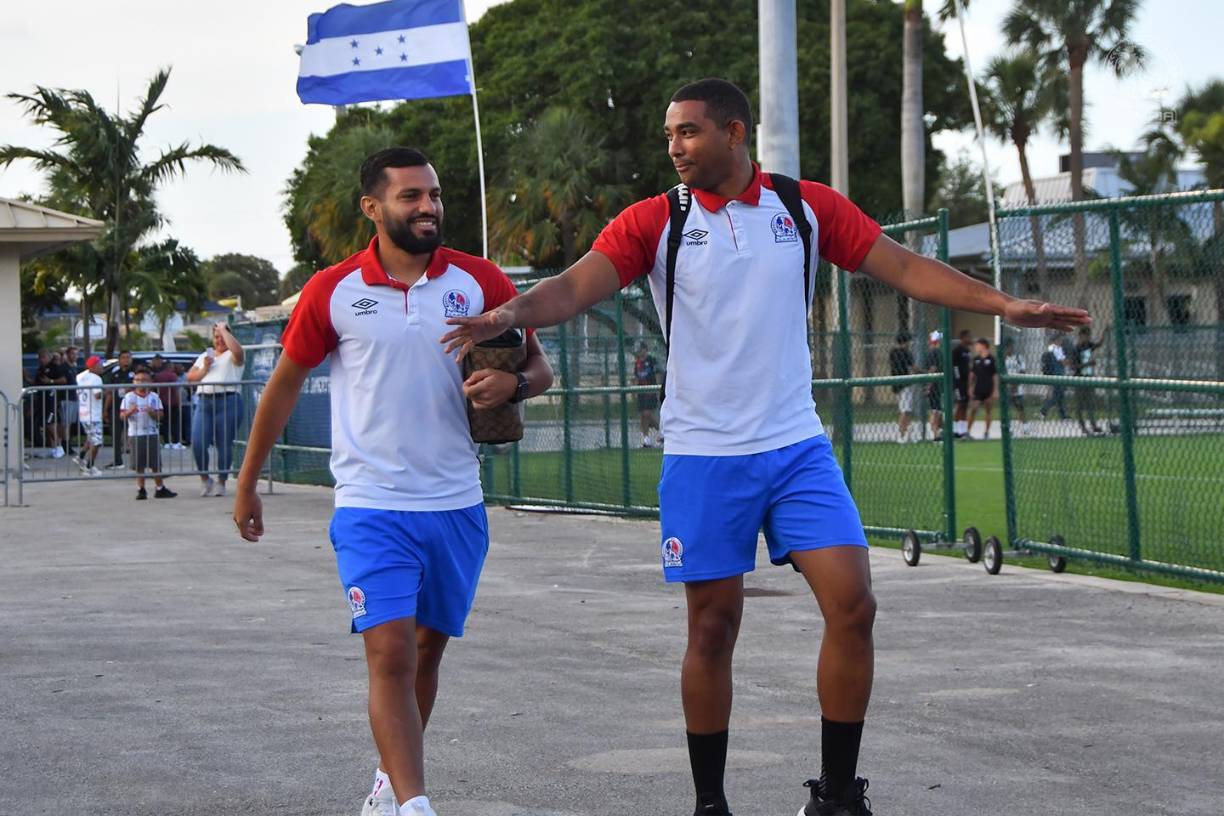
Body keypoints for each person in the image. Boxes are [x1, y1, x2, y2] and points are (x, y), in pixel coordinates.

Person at [439, 78, 1090, 816]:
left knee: (854, 606)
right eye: (669, 134)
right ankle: (710, 803)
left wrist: (1006, 304)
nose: (675, 147)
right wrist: (511, 311)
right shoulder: (655, 222)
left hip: (795, 446)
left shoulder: (803, 207)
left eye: (688, 132)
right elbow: (572, 288)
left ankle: (837, 794)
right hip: (704, 455)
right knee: (712, 629)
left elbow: (904, 266)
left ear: (735, 133)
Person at [232, 147, 554, 816]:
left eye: (433, 195)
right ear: (372, 208)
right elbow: (283, 388)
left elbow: (538, 370)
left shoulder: (480, 280)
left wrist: (513, 383)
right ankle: (414, 805)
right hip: (371, 506)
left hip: (457, 503)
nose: (428, 207)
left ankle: (389, 781)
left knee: (427, 653)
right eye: (411, 196)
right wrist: (248, 482)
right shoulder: (335, 290)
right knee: (390, 655)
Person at [187, 323, 245, 497]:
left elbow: (237, 352)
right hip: (205, 402)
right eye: (216, 337)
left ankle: (222, 480)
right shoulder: (205, 356)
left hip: (228, 401)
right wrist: (205, 367)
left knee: (224, 444)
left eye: (222, 336)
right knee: (198, 442)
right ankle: (205, 478)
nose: (219, 340)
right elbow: (191, 377)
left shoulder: (233, 354)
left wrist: (223, 330)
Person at [119, 370, 177, 500]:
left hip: (151, 432)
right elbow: (122, 416)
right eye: (138, 380)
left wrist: (152, 413)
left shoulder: (154, 397)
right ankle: (141, 489)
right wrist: (130, 411)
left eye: (144, 380)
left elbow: (161, 415)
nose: (141, 382)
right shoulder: (129, 397)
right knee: (139, 464)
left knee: (155, 463)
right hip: (136, 433)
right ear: (134, 382)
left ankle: (160, 487)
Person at [74, 355, 106, 475]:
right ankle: (89, 466)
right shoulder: (96, 378)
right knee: (97, 442)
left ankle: (80, 457)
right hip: (93, 413)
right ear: (94, 366)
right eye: (100, 364)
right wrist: (108, 392)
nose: (102, 366)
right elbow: (97, 395)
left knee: (90, 438)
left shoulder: (80, 376)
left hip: (83, 412)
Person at [104, 350, 136, 469]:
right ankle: (118, 460)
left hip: (132, 408)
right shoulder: (115, 373)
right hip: (117, 408)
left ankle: (137, 460)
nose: (126, 360)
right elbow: (110, 392)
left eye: (128, 357)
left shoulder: (135, 373)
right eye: (123, 357)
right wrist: (105, 410)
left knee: (134, 434)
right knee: (116, 435)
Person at [33, 349, 67, 457]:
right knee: (45, 424)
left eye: (43, 357)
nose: (41, 360)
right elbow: (37, 383)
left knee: (50, 424)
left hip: (51, 400)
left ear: (49, 357)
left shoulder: (55, 367)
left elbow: (63, 380)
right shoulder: (41, 369)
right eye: (40, 357)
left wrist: (51, 382)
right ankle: (53, 447)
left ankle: (59, 446)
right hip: (42, 400)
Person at [1073, 326, 1104, 436]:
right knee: (1080, 405)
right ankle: (1083, 427)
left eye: (1089, 336)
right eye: (1086, 336)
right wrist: (1088, 364)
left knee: (1091, 403)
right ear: (1081, 336)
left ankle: (1093, 425)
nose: (1088, 338)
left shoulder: (1089, 345)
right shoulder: (1076, 349)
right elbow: (1074, 367)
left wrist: (1104, 331)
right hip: (1079, 379)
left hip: (1089, 377)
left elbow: (1099, 344)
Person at [150, 354, 186, 449]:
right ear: (169, 367)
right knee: (175, 423)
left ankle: (166, 441)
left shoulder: (157, 376)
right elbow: (176, 389)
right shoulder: (173, 375)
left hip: (162, 402)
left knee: (165, 423)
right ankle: (176, 441)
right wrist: (179, 401)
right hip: (173, 402)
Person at [965, 338, 997, 440]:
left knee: (988, 411)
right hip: (978, 389)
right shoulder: (976, 359)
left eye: (977, 345)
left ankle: (986, 433)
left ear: (983, 346)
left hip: (989, 388)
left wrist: (995, 390)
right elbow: (972, 374)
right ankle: (967, 432)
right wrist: (970, 386)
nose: (976, 347)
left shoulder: (992, 359)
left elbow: (995, 375)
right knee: (973, 409)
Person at [888, 332, 916, 443]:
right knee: (906, 410)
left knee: (904, 409)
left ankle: (905, 433)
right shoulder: (906, 352)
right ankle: (901, 435)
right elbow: (913, 367)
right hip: (905, 384)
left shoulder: (892, 352)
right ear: (905, 342)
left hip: (896, 384)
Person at [634, 342, 663, 447]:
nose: (640, 352)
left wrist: (658, 389)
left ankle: (661, 431)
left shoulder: (651, 360)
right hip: (641, 391)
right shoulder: (637, 362)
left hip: (650, 391)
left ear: (645, 350)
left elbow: (658, 374)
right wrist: (635, 391)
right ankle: (646, 439)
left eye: (641, 350)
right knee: (643, 416)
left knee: (647, 414)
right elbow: (636, 377)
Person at [1000, 338, 1028, 435]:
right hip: (1007, 388)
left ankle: (1025, 428)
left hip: (1017, 388)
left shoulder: (1018, 358)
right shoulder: (1002, 359)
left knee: (1020, 408)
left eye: (1011, 346)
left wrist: (1015, 385)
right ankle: (1009, 428)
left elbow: (1023, 371)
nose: (1010, 349)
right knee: (1007, 409)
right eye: (1007, 347)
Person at [1039, 333, 1069, 420]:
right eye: (1060, 340)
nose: (1061, 341)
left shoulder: (1051, 348)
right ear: (1055, 340)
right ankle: (1043, 411)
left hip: (1056, 374)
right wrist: (1069, 361)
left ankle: (1063, 415)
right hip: (1057, 374)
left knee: (1061, 396)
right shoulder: (1055, 349)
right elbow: (1063, 362)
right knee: (1056, 396)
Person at [923, 331, 945, 440]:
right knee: (937, 410)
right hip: (938, 386)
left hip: (937, 386)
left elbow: (933, 369)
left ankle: (937, 433)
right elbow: (934, 369)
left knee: (936, 410)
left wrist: (928, 386)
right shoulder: (938, 352)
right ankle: (937, 433)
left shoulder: (935, 352)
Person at [951, 329, 972, 438]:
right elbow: (954, 367)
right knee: (959, 405)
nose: (970, 339)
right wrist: (957, 379)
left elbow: (968, 367)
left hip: (966, 383)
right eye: (969, 337)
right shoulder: (957, 351)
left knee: (965, 405)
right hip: (958, 383)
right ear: (963, 338)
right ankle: (955, 431)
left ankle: (963, 431)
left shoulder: (968, 351)